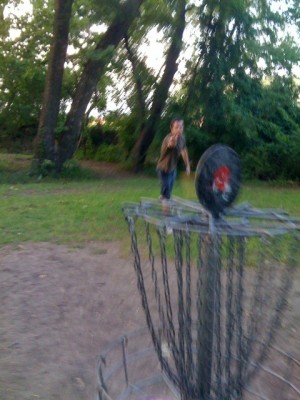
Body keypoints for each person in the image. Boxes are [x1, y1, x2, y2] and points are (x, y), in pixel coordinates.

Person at [157, 118, 190, 200]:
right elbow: (170, 145)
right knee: (166, 196)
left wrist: (187, 165)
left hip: (172, 170)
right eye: (177, 127)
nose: (179, 129)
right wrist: (172, 142)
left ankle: (163, 197)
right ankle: (165, 210)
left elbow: (184, 151)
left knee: (167, 193)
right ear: (172, 129)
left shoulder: (182, 138)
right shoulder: (168, 138)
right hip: (163, 170)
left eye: (181, 127)